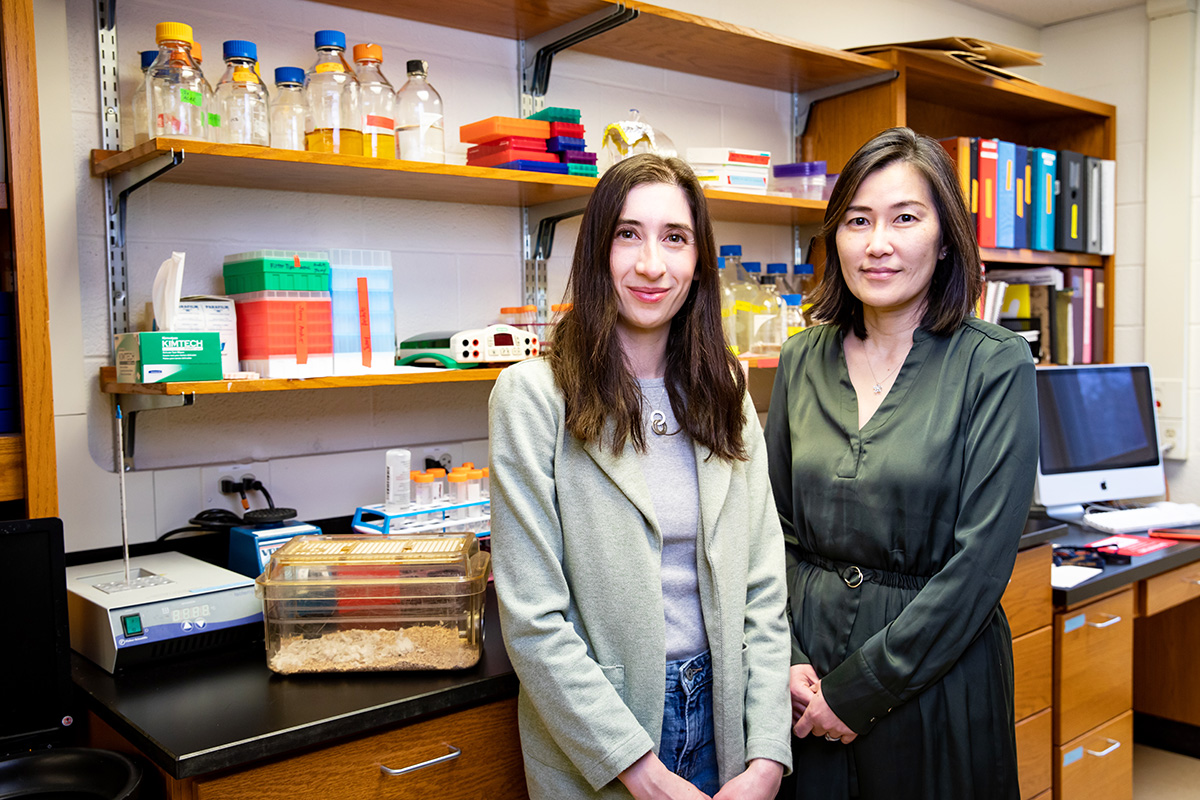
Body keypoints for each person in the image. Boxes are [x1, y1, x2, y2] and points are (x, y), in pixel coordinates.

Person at [489, 153, 792, 800]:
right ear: (598, 249)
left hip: (726, 719)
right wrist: (641, 772)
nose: (652, 264)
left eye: (674, 238)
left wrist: (767, 756)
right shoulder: (533, 397)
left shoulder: (727, 389)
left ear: (698, 260)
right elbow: (534, 621)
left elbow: (763, 587)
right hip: (603, 734)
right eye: (628, 234)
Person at [764, 127, 1038, 799]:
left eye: (904, 218)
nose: (877, 243)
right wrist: (791, 661)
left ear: (945, 238)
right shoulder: (802, 358)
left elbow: (979, 567)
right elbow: (771, 531)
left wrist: (860, 692)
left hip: (935, 679)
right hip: (808, 683)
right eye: (858, 220)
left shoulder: (995, 362)